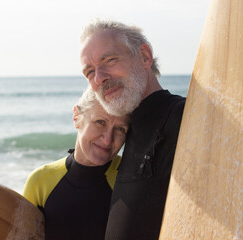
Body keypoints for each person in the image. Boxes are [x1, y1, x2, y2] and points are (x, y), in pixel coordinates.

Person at [80, 20, 186, 240]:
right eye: (90, 72)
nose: (99, 78)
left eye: (109, 60)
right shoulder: (126, 131)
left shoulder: (184, 116)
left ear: (145, 56)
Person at [23, 86, 130, 240]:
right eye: (100, 122)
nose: (108, 139)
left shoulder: (130, 181)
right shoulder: (41, 181)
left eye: (120, 129)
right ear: (77, 116)